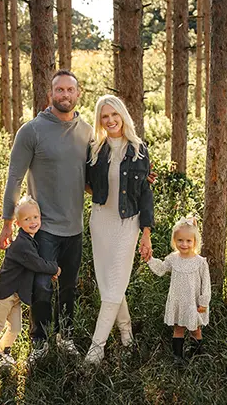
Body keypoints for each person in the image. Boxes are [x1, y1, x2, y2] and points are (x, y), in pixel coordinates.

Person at [0, 69, 93, 363]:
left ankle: (65, 337)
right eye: (59, 90)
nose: (65, 95)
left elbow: (94, 181)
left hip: (74, 227)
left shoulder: (87, 132)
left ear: (78, 94)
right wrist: (7, 224)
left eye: (70, 90)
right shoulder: (32, 131)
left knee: (68, 287)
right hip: (41, 229)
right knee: (41, 286)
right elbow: (14, 178)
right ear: (50, 95)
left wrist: (139, 181)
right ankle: (39, 343)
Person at [84, 95, 154, 364]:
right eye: (104, 116)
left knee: (115, 283)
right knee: (109, 285)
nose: (110, 120)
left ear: (123, 115)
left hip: (128, 224)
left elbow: (145, 194)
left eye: (114, 115)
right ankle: (126, 336)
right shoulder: (96, 149)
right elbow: (87, 182)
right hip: (100, 221)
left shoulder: (138, 149)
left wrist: (146, 232)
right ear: (99, 121)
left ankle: (96, 348)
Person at [0, 196, 61, 368]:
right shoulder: (21, 244)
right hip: (4, 294)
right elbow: (36, 263)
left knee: (15, 328)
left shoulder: (30, 240)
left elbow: (32, 266)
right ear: (18, 223)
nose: (33, 221)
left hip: (16, 295)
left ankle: (4, 350)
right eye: (27, 219)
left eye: (35, 217)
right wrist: (54, 268)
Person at [146, 215, 211, 367]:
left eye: (189, 241)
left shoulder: (200, 262)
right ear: (174, 241)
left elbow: (206, 284)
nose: (184, 244)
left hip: (193, 303)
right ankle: (178, 358)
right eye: (180, 240)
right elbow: (161, 269)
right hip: (178, 301)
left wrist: (203, 302)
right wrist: (149, 259)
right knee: (178, 328)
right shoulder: (173, 259)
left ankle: (197, 355)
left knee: (195, 329)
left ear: (195, 242)